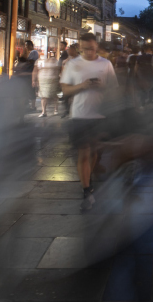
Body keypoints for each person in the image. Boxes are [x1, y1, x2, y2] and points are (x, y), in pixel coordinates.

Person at [59, 32, 117, 211]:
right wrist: (82, 86)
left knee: (95, 152)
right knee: (83, 153)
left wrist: (103, 86)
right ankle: (86, 189)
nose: (89, 52)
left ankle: (89, 177)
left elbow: (114, 89)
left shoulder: (106, 64)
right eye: (85, 49)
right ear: (79, 48)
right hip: (79, 115)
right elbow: (65, 90)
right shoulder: (72, 64)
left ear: (96, 46)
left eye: (91, 49)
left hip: (100, 115)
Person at [37, 51, 60, 117]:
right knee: (44, 96)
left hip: (52, 80)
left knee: (51, 96)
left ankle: (52, 110)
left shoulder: (55, 62)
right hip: (45, 81)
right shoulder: (45, 62)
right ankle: (44, 111)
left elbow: (58, 71)